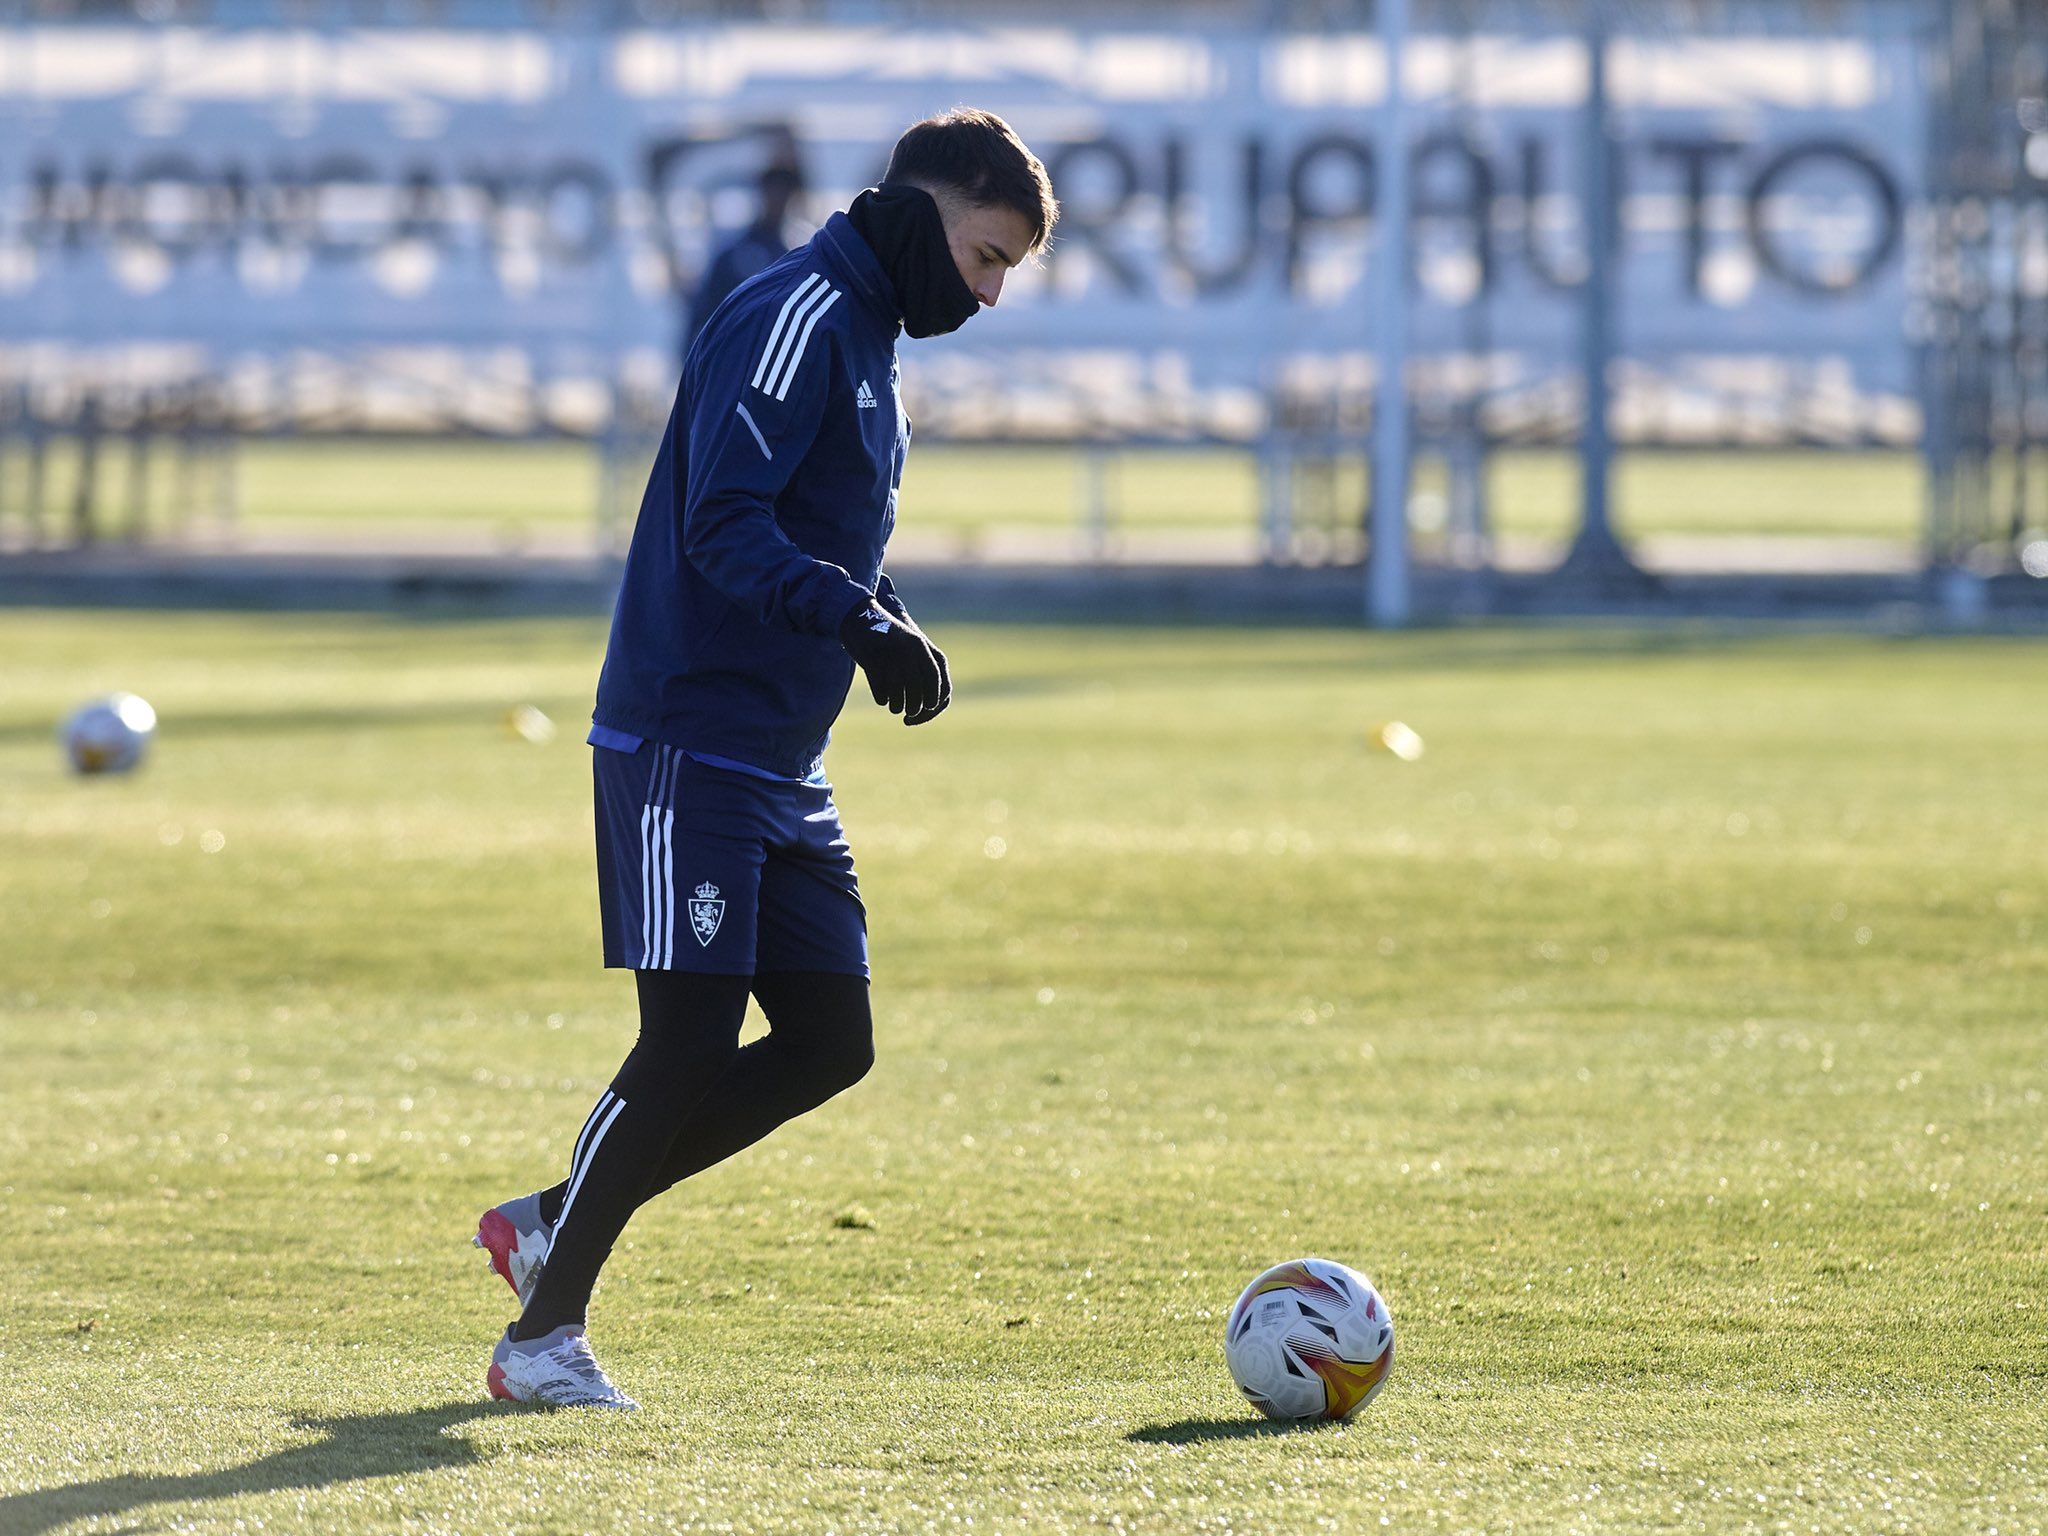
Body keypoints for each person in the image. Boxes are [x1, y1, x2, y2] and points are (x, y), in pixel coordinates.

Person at [472, 108, 1058, 1409]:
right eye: (984, 254)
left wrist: (882, 608)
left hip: (777, 759)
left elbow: (826, 522)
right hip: (689, 733)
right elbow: (723, 522)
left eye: (1006, 269)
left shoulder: (864, 337)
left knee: (828, 1038)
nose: (987, 291)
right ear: (920, 207)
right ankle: (539, 1338)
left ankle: (550, 1221)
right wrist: (852, 617)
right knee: (686, 1038)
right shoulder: (790, 314)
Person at [680, 161, 805, 364]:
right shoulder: (733, 255)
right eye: (773, 190)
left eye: (785, 192)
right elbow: (703, 313)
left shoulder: (800, 255)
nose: (778, 199)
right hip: (732, 362)